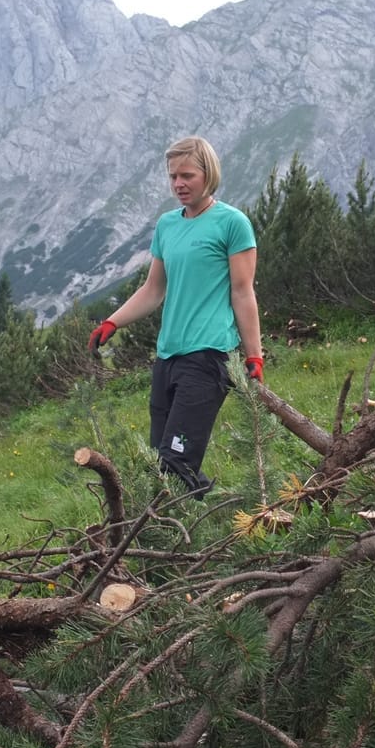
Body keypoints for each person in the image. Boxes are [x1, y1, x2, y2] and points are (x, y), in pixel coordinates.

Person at [88, 136, 264, 496]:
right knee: (161, 464)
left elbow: (243, 292)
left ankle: (197, 520)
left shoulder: (233, 223)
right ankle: (219, 512)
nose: (179, 184)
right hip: (167, 358)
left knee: (175, 463)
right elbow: (153, 289)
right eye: (173, 176)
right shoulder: (167, 225)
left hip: (209, 357)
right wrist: (112, 322)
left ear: (208, 174)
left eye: (187, 175)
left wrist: (254, 356)